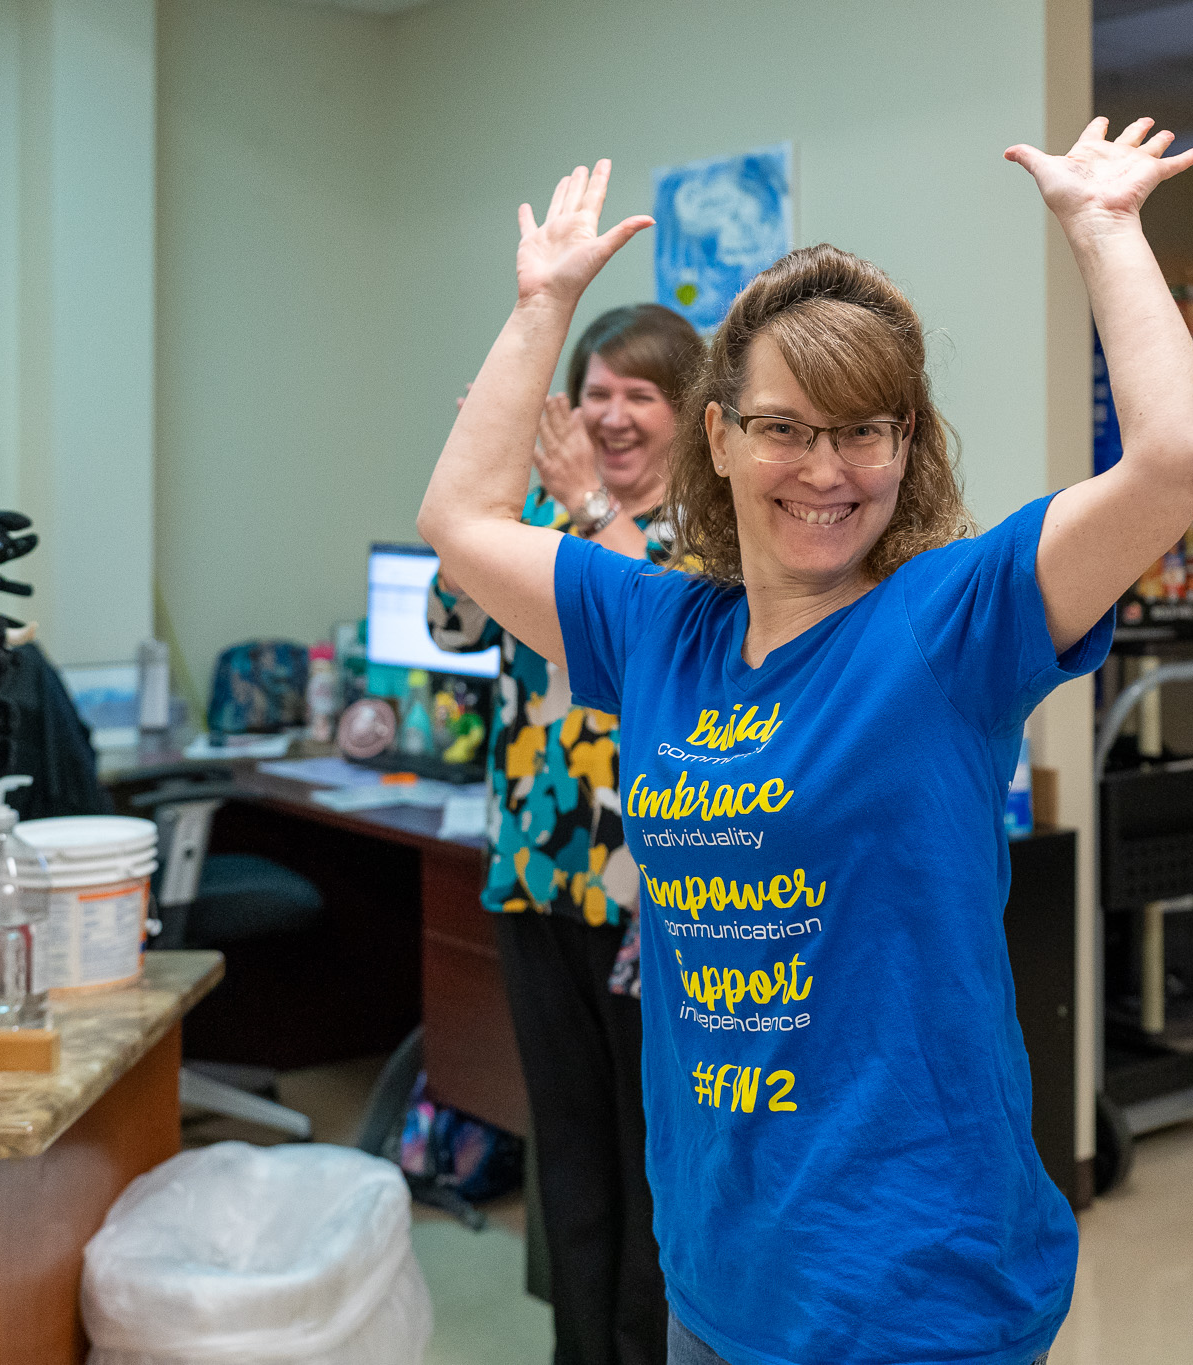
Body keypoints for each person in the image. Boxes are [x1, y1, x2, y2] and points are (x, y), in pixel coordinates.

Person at [417, 119, 1193, 1365]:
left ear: (907, 446)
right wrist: (540, 306)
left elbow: (1173, 460)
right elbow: (459, 523)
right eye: (787, 427)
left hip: (913, 1284)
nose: (827, 469)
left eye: (866, 431)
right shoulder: (659, 629)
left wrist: (1104, 230)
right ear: (722, 439)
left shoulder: (949, 625)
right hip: (718, 1268)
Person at [426, 302, 702, 1365]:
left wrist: (586, 504)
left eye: (640, 394)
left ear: (690, 416)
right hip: (538, 880)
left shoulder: (707, 540)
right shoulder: (530, 519)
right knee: (570, 1158)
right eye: (595, 393)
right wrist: (482, 478)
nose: (612, 415)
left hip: (656, 904)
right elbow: (449, 623)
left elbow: (657, 643)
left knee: (647, 1166)